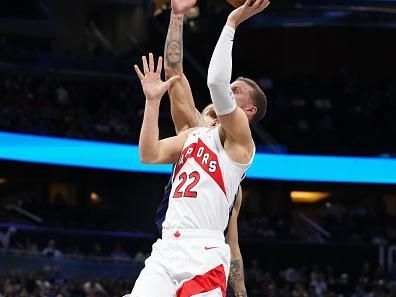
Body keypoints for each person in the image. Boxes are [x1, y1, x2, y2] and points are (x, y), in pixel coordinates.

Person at [130, 1, 269, 297]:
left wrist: (232, 22)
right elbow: (172, 71)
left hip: (204, 251)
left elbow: (232, 243)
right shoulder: (192, 133)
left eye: (237, 91)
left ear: (249, 109)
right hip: (167, 246)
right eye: (231, 88)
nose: (229, 91)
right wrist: (177, 15)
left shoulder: (241, 144)